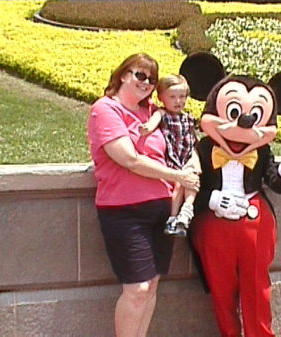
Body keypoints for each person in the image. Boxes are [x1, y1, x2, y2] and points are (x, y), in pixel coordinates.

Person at [87, 53, 199, 337]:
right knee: (136, 289)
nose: (146, 83)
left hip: (162, 209)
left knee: (151, 287)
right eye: (140, 75)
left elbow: (184, 138)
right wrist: (178, 176)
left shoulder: (151, 111)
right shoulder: (106, 110)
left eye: (151, 79)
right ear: (124, 74)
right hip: (124, 211)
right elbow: (129, 159)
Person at [139, 74, 200, 237]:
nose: (178, 101)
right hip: (173, 158)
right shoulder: (162, 114)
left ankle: (187, 208)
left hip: (187, 157)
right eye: (172, 97)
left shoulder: (188, 118)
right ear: (161, 98)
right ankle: (173, 218)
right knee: (180, 184)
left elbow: (193, 139)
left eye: (182, 97)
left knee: (192, 180)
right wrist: (147, 128)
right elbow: (153, 122)